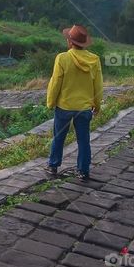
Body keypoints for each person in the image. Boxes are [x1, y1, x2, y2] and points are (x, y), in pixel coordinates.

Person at [45, 24, 103, 181]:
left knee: (58, 137)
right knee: (84, 140)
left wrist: (50, 102)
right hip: (84, 108)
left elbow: (55, 82)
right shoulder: (94, 60)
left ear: (70, 42)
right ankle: (83, 171)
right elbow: (98, 85)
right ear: (83, 43)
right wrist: (97, 105)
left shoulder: (62, 58)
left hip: (64, 106)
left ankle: (53, 166)